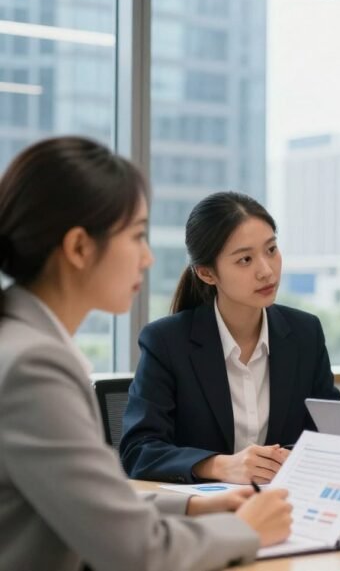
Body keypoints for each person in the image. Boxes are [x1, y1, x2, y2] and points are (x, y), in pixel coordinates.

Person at [0, 136, 291, 570]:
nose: (149, 257)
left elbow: (91, 508)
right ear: (80, 248)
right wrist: (246, 530)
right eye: (137, 235)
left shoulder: (20, 345)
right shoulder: (33, 368)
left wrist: (192, 508)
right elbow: (136, 551)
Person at [120, 191, 340, 484]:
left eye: (271, 250)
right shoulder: (166, 341)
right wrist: (220, 466)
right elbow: (139, 451)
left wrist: (289, 459)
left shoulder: (305, 333)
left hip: (283, 506)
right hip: (201, 516)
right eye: (245, 259)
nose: (266, 271)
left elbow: (329, 436)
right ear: (207, 273)